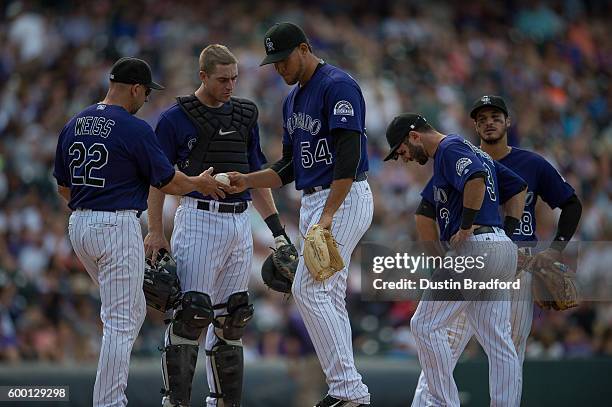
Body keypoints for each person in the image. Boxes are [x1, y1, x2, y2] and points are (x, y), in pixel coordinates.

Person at [53, 57, 225, 407]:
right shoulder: (134, 128)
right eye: (145, 93)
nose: (145, 100)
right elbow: (169, 181)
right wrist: (200, 183)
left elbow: (63, 187)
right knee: (123, 319)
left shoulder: (74, 123)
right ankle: (109, 403)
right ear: (134, 88)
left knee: (120, 311)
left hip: (80, 225)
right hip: (114, 224)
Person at [227, 22, 373, 407]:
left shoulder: (337, 85)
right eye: (272, 61)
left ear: (305, 49)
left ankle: (348, 389)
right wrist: (246, 180)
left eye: (283, 58)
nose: (278, 67)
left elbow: (349, 157)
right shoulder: (291, 101)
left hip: (343, 196)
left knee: (307, 289)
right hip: (313, 200)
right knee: (330, 295)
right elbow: (287, 167)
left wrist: (327, 216)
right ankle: (348, 391)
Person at [411, 95, 582, 406]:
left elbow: (571, 204)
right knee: (445, 342)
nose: (489, 122)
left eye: (495, 116)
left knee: (510, 346)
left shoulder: (530, 163)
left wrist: (556, 250)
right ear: (475, 125)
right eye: (482, 118)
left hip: (518, 269)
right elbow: (424, 210)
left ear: (507, 122)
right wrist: (439, 259)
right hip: (472, 262)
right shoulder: (461, 158)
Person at [144, 44, 290, 407]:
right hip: (198, 217)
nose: (230, 85)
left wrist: (277, 231)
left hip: (239, 223)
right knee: (190, 315)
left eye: (235, 78)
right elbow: (157, 177)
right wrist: (156, 230)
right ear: (203, 75)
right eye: (223, 79)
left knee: (234, 317)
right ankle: (175, 402)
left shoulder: (244, 113)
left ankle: (223, 403)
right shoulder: (174, 118)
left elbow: (255, 176)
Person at [384, 113, 527, 407]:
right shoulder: (469, 152)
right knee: (497, 340)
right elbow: (517, 186)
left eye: (402, 151)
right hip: (498, 247)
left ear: (414, 136)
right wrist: (507, 234)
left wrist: (466, 226)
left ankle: (444, 403)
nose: (404, 158)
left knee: (423, 326)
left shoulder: (449, 148)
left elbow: (474, 178)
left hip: (476, 248)